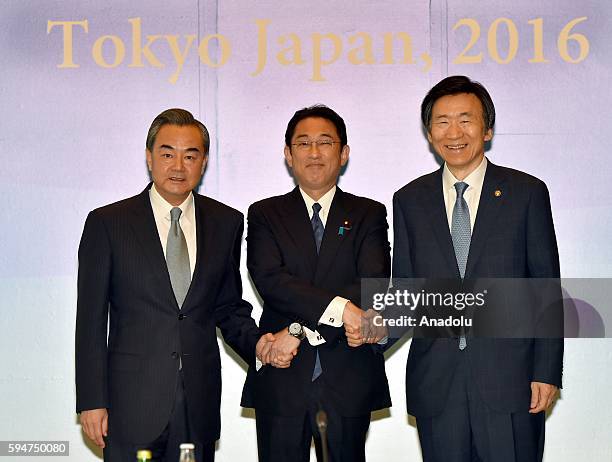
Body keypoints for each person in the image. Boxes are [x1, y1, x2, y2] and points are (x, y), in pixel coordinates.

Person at [75, 108, 272, 462]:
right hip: (129, 405)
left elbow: (226, 306)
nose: (178, 166)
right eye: (167, 154)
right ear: (149, 157)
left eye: (190, 155)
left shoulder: (226, 222)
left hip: (198, 405)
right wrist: (91, 401)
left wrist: (260, 345)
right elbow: (89, 321)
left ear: (204, 162)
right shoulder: (108, 223)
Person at [391, 76, 564, 461]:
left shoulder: (526, 193)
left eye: (465, 119)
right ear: (429, 132)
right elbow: (405, 290)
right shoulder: (408, 200)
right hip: (438, 383)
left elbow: (546, 288)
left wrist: (547, 371)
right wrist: (360, 329)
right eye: (442, 121)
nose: (454, 132)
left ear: (487, 129)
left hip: (512, 381)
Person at [241, 105, 391, 462]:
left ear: (344, 153)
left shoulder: (368, 213)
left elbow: (371, 282)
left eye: (325, 142)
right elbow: (271, 279)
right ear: (288, 154)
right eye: (303, 143)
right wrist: (341, 309)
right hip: (282, 375)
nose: (313, 152)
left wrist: (297, 329)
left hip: (346, 376)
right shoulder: (264, 213)